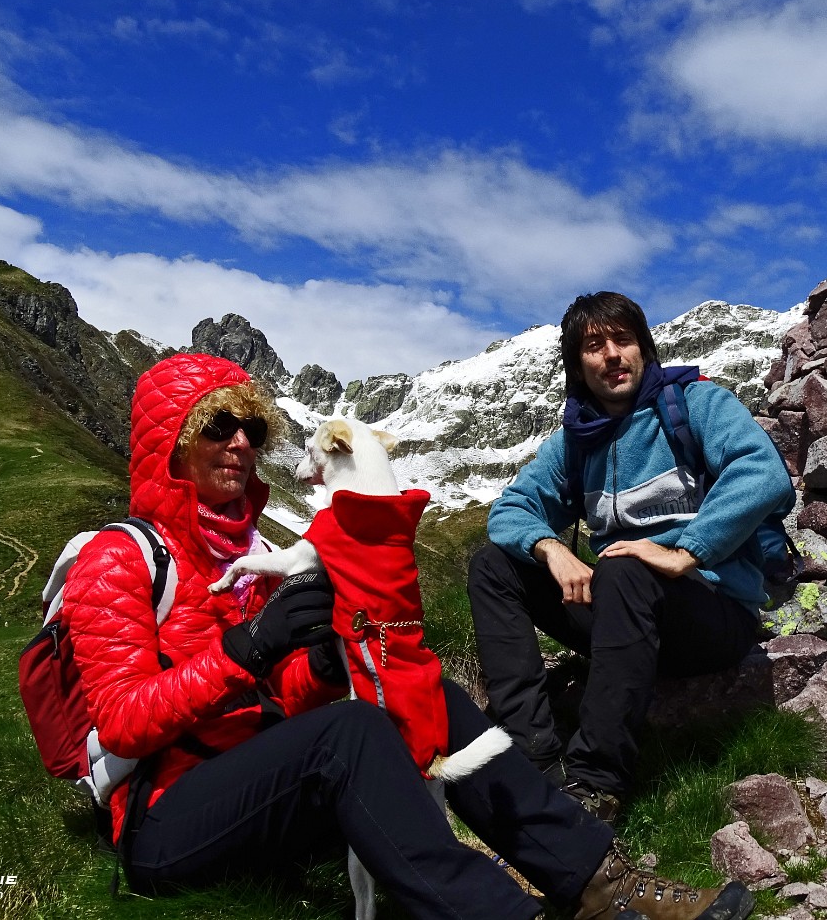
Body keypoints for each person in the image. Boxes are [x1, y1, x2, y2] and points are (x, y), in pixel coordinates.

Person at [61, 352, 756, 920]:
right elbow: (122, 724)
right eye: (217, 425)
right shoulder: (118, 557)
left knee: (424, 690)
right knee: (352, 733)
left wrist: (330, 664)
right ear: (172, 444)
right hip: (165, 821)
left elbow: (277, 704)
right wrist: (247, 649)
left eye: (252, 426)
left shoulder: (248, 552)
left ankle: (601, 882)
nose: (240, 442)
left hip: (258, 792)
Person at [469, 292, 795, 825]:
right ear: (579, 366)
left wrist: (686, 552)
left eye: (623, 340)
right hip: (623, 614)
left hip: (709, 615)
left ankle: (597, 783)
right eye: (594, 346)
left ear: (644, 349)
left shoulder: (694, 405)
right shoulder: (575, 443)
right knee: (493, 566)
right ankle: (532, 751)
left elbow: (762, 471)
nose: (612, 355)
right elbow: (511, 508)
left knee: (623, 566)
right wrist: (550, 548)